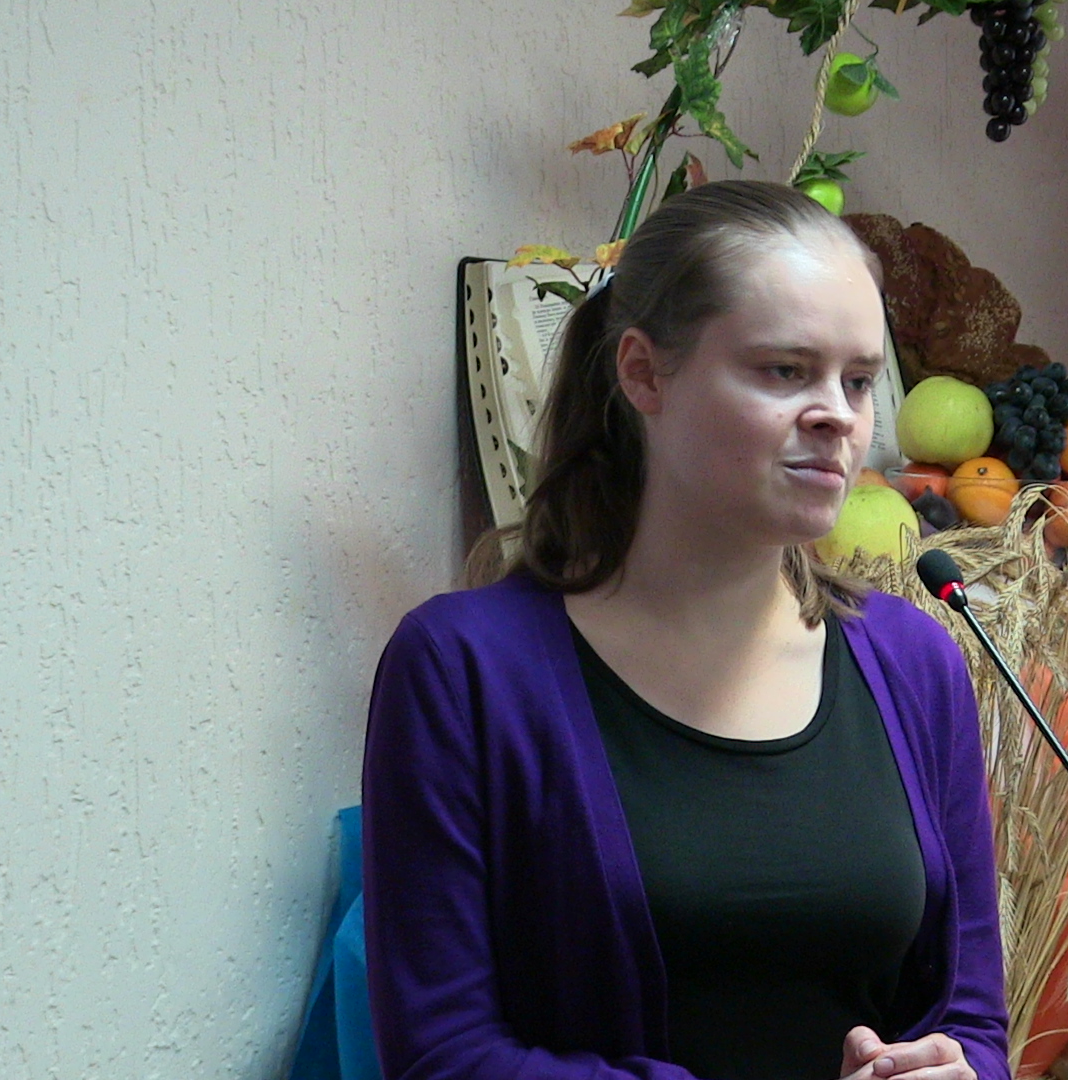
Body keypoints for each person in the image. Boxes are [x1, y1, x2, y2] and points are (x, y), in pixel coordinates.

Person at [362, 180, 1010, 1080]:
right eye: (784, 370)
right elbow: (444, 1055)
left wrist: (955, 1069)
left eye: (859, 381)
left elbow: (972, 1021)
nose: (838, 414)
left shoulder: (917, 662)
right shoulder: (462, 670)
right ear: (643, 373)